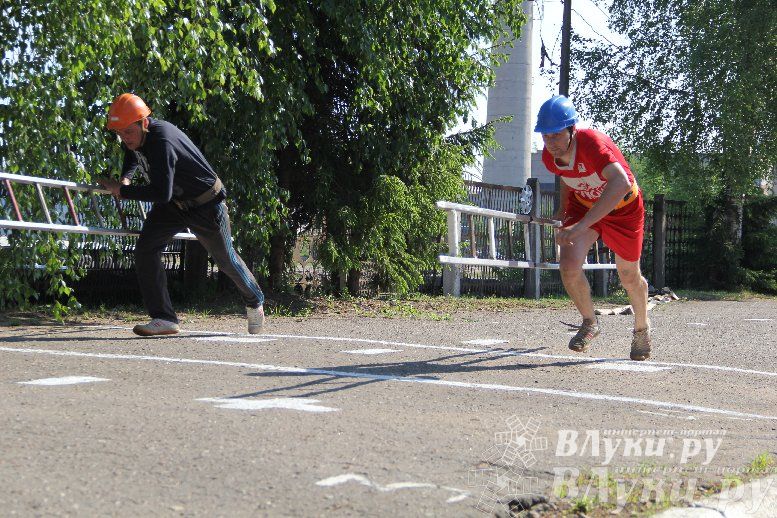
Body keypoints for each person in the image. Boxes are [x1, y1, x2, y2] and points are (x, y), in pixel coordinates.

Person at [97, 93, 265, 337]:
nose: (125, 138)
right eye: (120, 134)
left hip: (205, 204)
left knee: (225, 259)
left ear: (144, 123)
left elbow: (161, 193)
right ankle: (164, 318)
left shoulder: (162, 141)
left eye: (129, 132)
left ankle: (254, 300)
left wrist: (122, 190)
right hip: (174, 204)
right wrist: (126, 177)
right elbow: (132, 153)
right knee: (145, 249)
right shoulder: (136, 137)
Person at [535, 95, 651, 360]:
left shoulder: (592, 144)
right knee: (568, 266)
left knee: (628, 276)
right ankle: (590, 322)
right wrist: (563, 209)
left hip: (623, 209)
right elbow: (567, 176)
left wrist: (579, 226)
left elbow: (620, 183)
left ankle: (641, 328)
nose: (551, 142)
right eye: (546, 136)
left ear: (571, 129)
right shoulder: (549, 156)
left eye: (556, 135)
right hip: (584, 205)